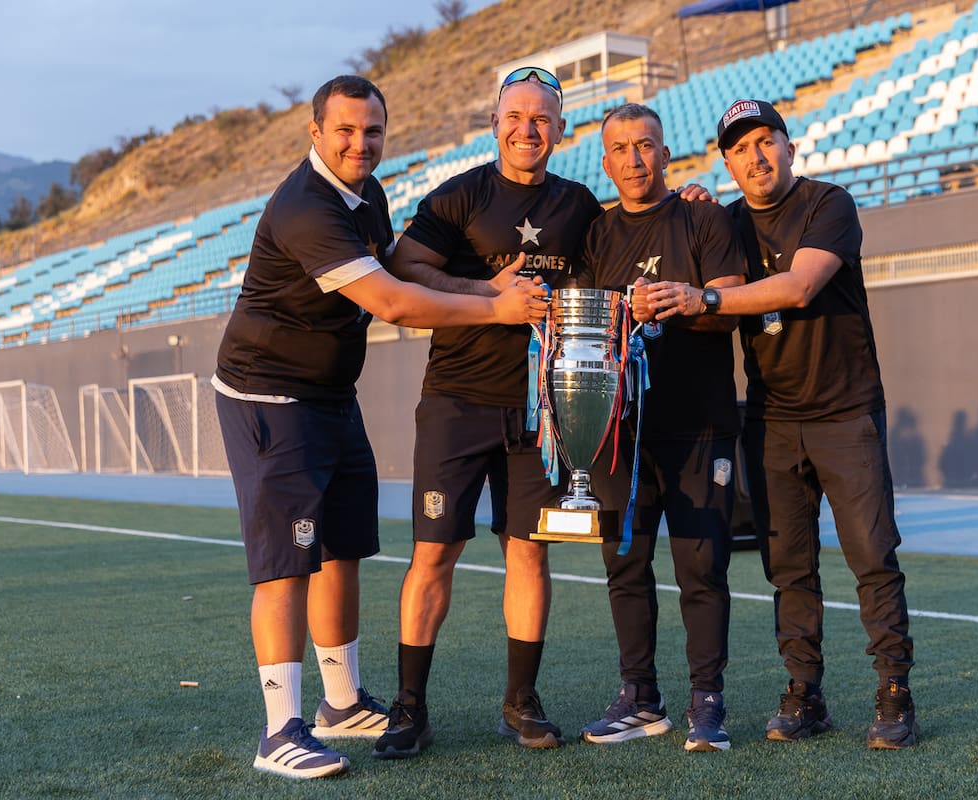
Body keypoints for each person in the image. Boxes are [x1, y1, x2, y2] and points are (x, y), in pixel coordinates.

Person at [212, 75, 548, 779]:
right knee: (286, 564)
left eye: (372, 133)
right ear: (315, 132)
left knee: (341, 550)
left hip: (332, 395)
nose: (359, 144)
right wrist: (496, 310)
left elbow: (398, 266)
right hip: (272, 398)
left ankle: (340, 704)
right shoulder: (307, 206)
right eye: (344, 131)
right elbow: (393, 301)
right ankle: (279, 730)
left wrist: (483, 287)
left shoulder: (368, 196)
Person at [644, 98, 918, 749]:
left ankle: (895, 695)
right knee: (787, 568)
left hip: (846, 414)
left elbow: (798, 287)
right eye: (740, 148)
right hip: (770, 418)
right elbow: (678, 257)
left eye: (766, 140)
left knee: (873, 560)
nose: (756, 156)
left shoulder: (830, 204)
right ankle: (804, 693)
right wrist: (690, 212)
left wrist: (705, 295)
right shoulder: (727, 222)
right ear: (728, 163)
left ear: (790, 146)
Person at [371, 67, 604, 759]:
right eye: (516, 115)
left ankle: (520, 701)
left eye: (542, 118)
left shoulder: (581, 205)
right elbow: (405, 266)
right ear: (494, 123)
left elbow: (623, 257)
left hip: (542, 410)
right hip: (457, 402)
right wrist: (482, 288)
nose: (527, 128)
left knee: (529, 553)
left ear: (561, 129)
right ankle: (410, 709)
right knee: (433, 553)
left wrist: (686, 202)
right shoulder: (459, 196)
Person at [571, 103, 746, 753]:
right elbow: (587, 329)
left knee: (701, 568)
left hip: (699, 424)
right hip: (622, 431)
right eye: (621, 148)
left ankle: (709, 702)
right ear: (607, 161)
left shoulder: (703, 214)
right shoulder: (596, 234)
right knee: (625, 564)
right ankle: (640, 696)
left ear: (666, 154)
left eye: (646, 146)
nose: (635, 159)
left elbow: (728, 305)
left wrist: (680, 299)